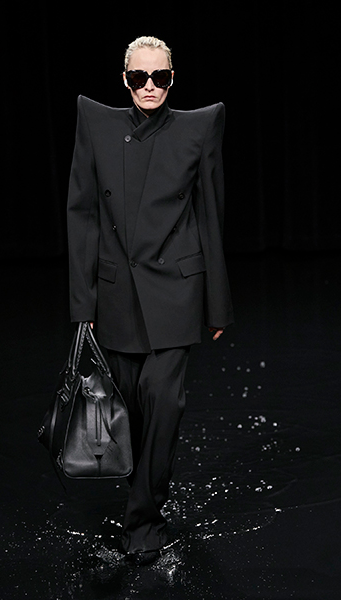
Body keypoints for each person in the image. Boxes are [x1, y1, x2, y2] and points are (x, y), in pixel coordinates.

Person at [67, 36, 234, 565]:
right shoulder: (96, 123)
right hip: (117, 292)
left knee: (164, 404)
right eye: (139, 77)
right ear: (124, 79)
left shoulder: (198, 127)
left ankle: (143, 522)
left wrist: (217, 303)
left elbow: (210, 214)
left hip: (175, 292)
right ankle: (145, 502)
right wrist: (83, 305)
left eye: (159, 77)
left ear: (171, 78)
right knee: (133, 416)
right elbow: (82, 214)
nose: (149, 87)